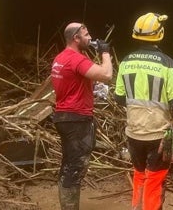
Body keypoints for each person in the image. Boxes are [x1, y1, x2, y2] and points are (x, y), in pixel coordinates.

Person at [115, 12, 173, 210]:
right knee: (155, 179)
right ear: (160, 34)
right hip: (158, 135)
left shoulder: (126, 61)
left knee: (139, 174)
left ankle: (137, 206)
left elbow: (119, 98)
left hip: (134, 132)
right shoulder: (167, 63)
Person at [51, 22, 113, 210]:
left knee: (69, 164)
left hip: (64, 116)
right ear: (76, 38)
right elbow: (107, 74)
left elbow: (72, 84)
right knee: (75, 167)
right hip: (76, 119)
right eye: (86, 35)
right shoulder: (76, 59)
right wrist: (105, 52)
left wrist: (92, 89)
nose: (90, 38)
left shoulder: (61, 58)